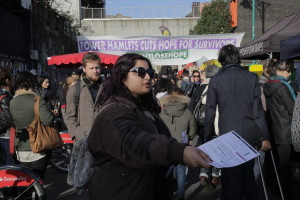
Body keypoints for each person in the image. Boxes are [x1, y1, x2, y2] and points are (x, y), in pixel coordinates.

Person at [87, 53, 211, 200]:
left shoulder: (142, 106)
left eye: (150, 72)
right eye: (140, 72)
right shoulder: (115, 111)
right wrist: (178, 151)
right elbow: (136, 142)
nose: (147, 77)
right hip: (121, 191)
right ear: (122, 76)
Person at [204, 44, 271, 200]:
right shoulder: (251, 77)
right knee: (248, 175)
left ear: (222, 60)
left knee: (230, 177)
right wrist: (264, 136)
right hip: (249, 132)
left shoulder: (216, 80)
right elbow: (258, 111)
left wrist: (207, 137)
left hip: (228, 134)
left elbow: (210, 112)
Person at [10, 71, 53, 178]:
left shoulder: (11, 102)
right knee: (37, 179)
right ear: (32, 82)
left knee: (24, 180)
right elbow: (48, 120)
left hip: (19, 147)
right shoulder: (37, 100)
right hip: (38, 146)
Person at [263, 59, 295, 199]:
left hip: (273, 129)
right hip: (285, 131)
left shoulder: (269, 84)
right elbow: (293, 109)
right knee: (284, 166)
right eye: (288, 70)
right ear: (280, 70)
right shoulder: (282, 87)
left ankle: (274, 188)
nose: (289, 73)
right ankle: (285, 192)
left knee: (274, 163)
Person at [159, 87, 197, 200]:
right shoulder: (187, 112)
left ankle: (170, 193)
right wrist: (189, 137)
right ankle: (181, 196)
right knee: (181, 171)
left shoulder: (162, 112)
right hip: (182, 145)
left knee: (169, 171)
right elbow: (193, 129)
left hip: (166, 146)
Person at [65, 52, 102, 141]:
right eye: (91, 68)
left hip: (105, 141)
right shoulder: (75, 89)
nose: (95, 71)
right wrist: (78, 135)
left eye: (97, 68)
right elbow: (70, 117)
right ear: (84, 69)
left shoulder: (107, 88)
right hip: (84, 141)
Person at [0, 67, 14, 165]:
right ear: (7, 80)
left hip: (4, 135)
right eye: (12, 78)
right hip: (6, 135)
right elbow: (9, 118)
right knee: (8, 163)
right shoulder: (5, 98)